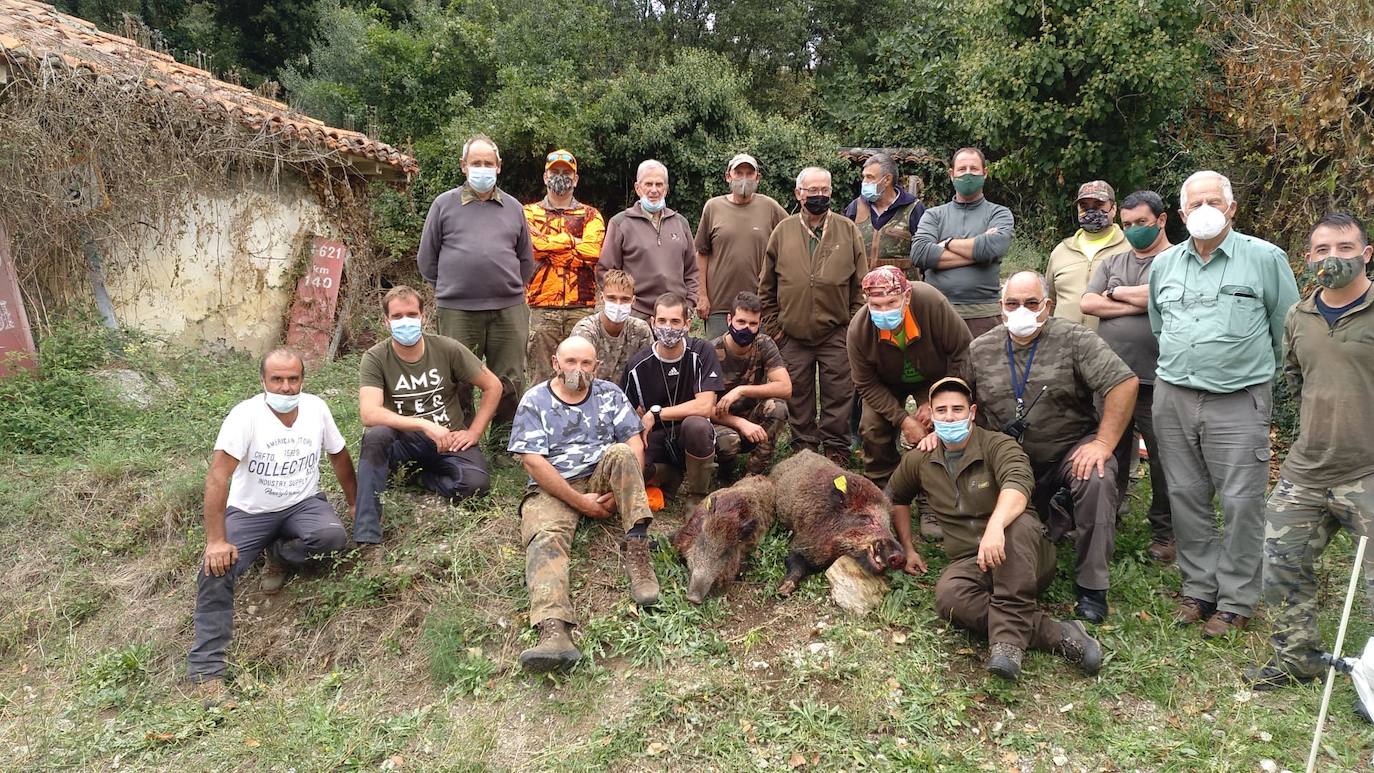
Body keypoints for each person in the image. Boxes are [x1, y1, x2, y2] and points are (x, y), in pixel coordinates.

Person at [1148, 170, 1300, 637]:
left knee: (1241, 502)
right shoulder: (1165, 265)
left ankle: (1235, 600)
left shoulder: (1265, 259)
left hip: (1238, 400)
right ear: (1181, 214)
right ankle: (1198, 588)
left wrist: (1252, 379)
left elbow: (1286, 329)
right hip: (1174, 395)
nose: (1205, 210)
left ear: (1232, 208)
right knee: (1186, 496)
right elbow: (1159, 325)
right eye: (1195, 204)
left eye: (1214, 200)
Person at [891, 377, 1103, 681]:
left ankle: (1006, 646)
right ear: (932, 416)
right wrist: (908, 548)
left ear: (972, 412)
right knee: (949, 597)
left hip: (1025, 554)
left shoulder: (998, 445)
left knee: (1013, 529)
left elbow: (1018, 483)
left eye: (957, 409)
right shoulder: (920, 459)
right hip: (971, 560)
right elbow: (897, 497)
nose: (950, 417)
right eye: (942, 411)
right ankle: (1057, 633)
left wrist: (995, 526)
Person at [959, 271, 1139, 623]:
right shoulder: (980, 348)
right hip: (1010, 460)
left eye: (1031, 303)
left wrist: (1103, 443)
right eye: (1012, 304)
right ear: (1001, 307)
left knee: (1097, 477)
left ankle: (1092, 585)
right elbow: (957, 396)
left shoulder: (1075, 339)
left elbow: (1124, 383)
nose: (1021, 311)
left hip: (1068, 451)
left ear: (1048, 306)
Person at [1247, 212, 1374, 691]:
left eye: (1344, 248)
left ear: (1366, 254)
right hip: (1307, 470)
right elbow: (1296, 380)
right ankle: (1297, 659)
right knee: (1281, 562)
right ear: (1308, 258)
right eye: (1322, 250)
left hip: (1368, 470)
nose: (1332, 258)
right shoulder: (1298, 316)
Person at [188, 349, 356, 702]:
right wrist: (216, 540)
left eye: (292, 379)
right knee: (216, 570)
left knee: (332, 537)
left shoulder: (316, 408)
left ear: (303, 380)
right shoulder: (245, 416)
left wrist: (355, 503)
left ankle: (279, 554)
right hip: (252, 512)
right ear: (262, 381)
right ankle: (207, 671)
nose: (285, 387)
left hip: (302, 503)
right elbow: (218, 477)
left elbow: (339, 455)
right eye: (277, 379)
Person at [508, 336, 659, 672]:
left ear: (597, 366)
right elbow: (533, 462)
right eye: (570, 361)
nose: (578, 369)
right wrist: (581, 503)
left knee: (621, 452)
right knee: (545, 536)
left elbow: (634, 443)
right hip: (555, 486)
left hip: (600, 475)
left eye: (586, 363)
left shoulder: (609, 393)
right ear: (555, 362)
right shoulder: (534, 401)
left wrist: (619, 492)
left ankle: (637, 550)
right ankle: (553, 631)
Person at [355, 286, 500, 548]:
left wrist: (475, 431)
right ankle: (367, 533)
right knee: (376, 435)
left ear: (424, 317)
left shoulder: (447, 348)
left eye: (412, 314)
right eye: (397, 316)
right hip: (404, 441)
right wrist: (423, 424)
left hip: (451, 439)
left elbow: (493, 386)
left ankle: (419, 477)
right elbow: (369, 413)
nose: (405, 322)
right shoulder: (375, 357)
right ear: (386, 321)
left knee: (475, 487)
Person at [1081, 190, 1175, 562]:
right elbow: (1088, 303)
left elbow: (1169, 297)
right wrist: (1145, 300)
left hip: (1161, 379)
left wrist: (1116, 295)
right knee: (1109, 453)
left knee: (1163, 460)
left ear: (1162, 220)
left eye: (1143, 223)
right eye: (1129, 224)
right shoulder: (1112, 259)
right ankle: (1107, 520)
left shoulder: (1177, 260)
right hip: (1111, 379)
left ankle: (1166, 533)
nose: (1135, 230)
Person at [417, 134, 533, 425]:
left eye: (488, 163)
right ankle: (462, 436)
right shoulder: (444, 205)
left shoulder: (514, 207)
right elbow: (427, 259)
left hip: (508, 309)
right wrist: (453, 288)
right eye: (476, 162)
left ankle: (504, 439)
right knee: (457, 376)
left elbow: (525, 259)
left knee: (510, 376)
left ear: (498, 167)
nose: (482, 168)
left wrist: (506, 287)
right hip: (458, 310)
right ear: (463, 166)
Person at [759, 166, 868, 466]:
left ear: (831, 192)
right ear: (799, 193)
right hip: (792, 334)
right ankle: (803, 448)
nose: (819, 196)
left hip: (835, 332)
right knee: (798, 394)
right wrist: (776, 330)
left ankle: (836, 448)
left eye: (824, 190)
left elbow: (861, 287)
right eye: (812, 191)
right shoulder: (783, 231)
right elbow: (766, 287)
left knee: (838, 392)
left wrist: (850, 330)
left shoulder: (848, 230)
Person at [847, 266, 971, 490]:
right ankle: (885, 486)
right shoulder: (858, 330)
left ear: (907, 296)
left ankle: (941, 481)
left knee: (942, 419)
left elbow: (963, 352)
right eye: (876, 306)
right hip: (886, 382)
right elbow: (865, 383)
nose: (884, 311)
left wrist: (936, 400)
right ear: (866, 301)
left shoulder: (932, 303)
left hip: (934, 377)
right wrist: (904, 420)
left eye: (892, 303)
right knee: (872, 426)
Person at [621, 292, 725, 512]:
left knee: (697, 424)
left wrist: (657, 414)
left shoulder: (702, 351)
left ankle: (697, 496)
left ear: (687, 324)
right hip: (656, 437)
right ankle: (669, 476)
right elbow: (626, 413)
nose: (668, 328)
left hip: (689, 433)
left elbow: (705, 405)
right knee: (630, 463)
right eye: (662, 321)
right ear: (652, 322)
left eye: (675, 321)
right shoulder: (637, 365)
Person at [909, 147, 1014, 337]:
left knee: (984, 367)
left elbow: (993, 247)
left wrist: (946, 242)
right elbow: (920, 254)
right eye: (962, 169)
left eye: (973, 169)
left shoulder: (999, 213)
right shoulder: (934, 215)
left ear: (985, 173)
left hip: (984, 315)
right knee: (940, 367)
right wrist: (979, 254)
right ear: (951, 174)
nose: (968, 174)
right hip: (938, 312)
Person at [523, 149, 606, 385]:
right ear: (545, 176)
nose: (561, 176)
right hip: (542, 306)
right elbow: (533, 247)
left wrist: (553, 248)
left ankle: (578, 420)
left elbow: (592, 252)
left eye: (567, 172)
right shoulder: (528, 213)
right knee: (542, 374)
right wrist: (572, 242)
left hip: (581, 306)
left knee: (579, 375)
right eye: (555, 171)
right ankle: (541, 419)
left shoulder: (590, 215)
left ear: (576, 179)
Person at [694, 153, 789, 338]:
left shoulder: (770, 207)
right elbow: (702, 253)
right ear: (728, 176)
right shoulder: (713, 207)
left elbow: (792, 237)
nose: (744, 178)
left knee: (759, 361)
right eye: (739, 173)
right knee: (718, 360)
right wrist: (702, 296)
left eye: (749, 173)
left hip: (760, 305)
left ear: (757, 178)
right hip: (720, 306)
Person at [597, 159, 698, 320]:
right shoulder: (621, 223)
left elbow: (692, 270)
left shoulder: (681, 223)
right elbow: (606, 271)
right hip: (636, 314)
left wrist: (690, 304)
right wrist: (622, 305)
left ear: (666, 189)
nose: (654, 190)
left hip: (674, 315)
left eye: (659, 184)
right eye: (648, 184)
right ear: (638, 188)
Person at [710, 291, 792, 477]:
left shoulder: (764, 344)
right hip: (721, 421)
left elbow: (785, 388)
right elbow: (705, 408)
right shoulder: (711, 351)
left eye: (753, 324)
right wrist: (739, 423)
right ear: (729, 320)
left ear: (760, 324)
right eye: (741, 322)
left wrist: (741, 390)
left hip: (754, 420)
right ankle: (725, 471)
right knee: (728, 442)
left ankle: (754, 475)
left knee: (778, 407)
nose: (746, 329)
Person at [1046, 180, 1132, 329]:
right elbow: (1050, 301)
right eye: (1084, 206)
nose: (1091, 211)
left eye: (1098, 205)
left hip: (1112, 346)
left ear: (1113, 208)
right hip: (1064, 345)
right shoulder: (1060, 251)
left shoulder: (1130, 248)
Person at [843, 152, 926, 277]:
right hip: (863, 289)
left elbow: (924, 253)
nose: (864, 182)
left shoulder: (913, 208)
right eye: (864, 177)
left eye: (870, 177)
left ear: (887, 179)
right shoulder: (856, 207)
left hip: (901, 290)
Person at [571, 269, 653, 384]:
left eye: (625, 299)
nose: (618, 304)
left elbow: (648, 372)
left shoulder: (640, 330)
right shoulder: (585, 330)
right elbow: (576, 376)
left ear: (633, 301)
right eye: (612, 298)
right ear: (601, 298)